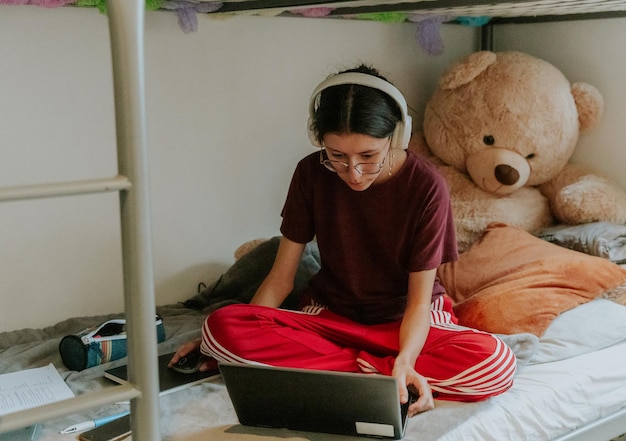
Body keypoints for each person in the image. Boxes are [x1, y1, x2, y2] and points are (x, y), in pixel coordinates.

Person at [169, 64, 516, 416]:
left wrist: (407, 360)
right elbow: (281, 278)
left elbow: (418, 303)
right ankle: (380, 379)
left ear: (396, 138)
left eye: (368, 156)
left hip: (407, 322)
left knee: (495, 363)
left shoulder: (427, 186)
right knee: (220, 326)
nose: (353, 172)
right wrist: (221, 341)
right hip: (331, 318)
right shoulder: (309, 173)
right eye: (337, 156)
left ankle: (365, 375)